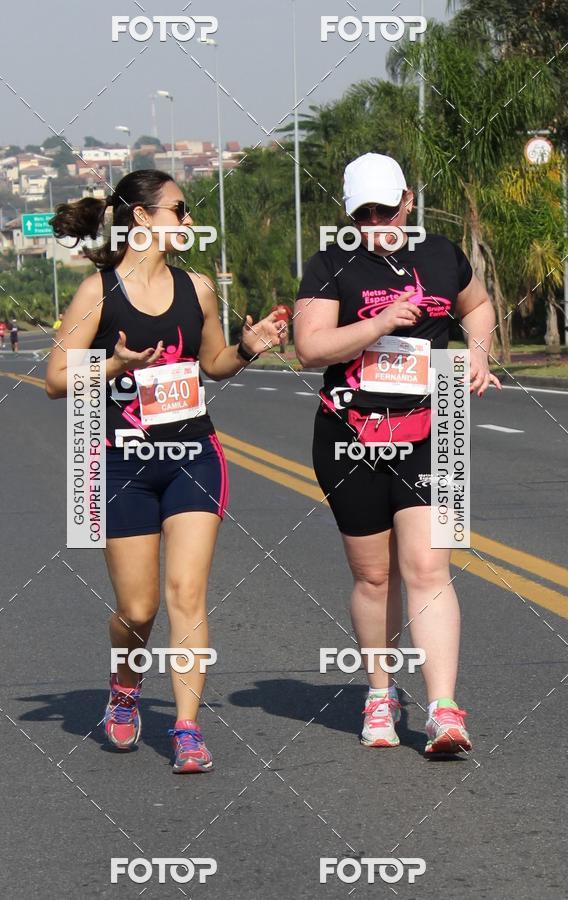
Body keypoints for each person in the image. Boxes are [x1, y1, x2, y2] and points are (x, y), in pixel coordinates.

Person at [46, 169, 282, 773]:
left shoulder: (197, 288)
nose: (188, 219)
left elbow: (213, 364)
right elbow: (55, 380)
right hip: (120, 458)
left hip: (193, 457)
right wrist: (111, 365)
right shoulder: (98, 293)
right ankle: (125, 683)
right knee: (140, 608)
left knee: (187, 595)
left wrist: (248, 347)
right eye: (180, 208)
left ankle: (185, 727)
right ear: (143, 219)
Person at [294, 152, 501, 755]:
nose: (378, 219)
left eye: (388, 208)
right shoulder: (332, 264)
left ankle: (442, 709)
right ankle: (380, 693)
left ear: (408, 201)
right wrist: (379, 322)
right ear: (350, 212)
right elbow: (310, 347)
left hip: (435, 430)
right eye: (365, 212)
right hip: (350, 433)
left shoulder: (440, 256)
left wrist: (479, 350)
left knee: (430, 568)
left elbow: (478, 306)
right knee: (374, 573)